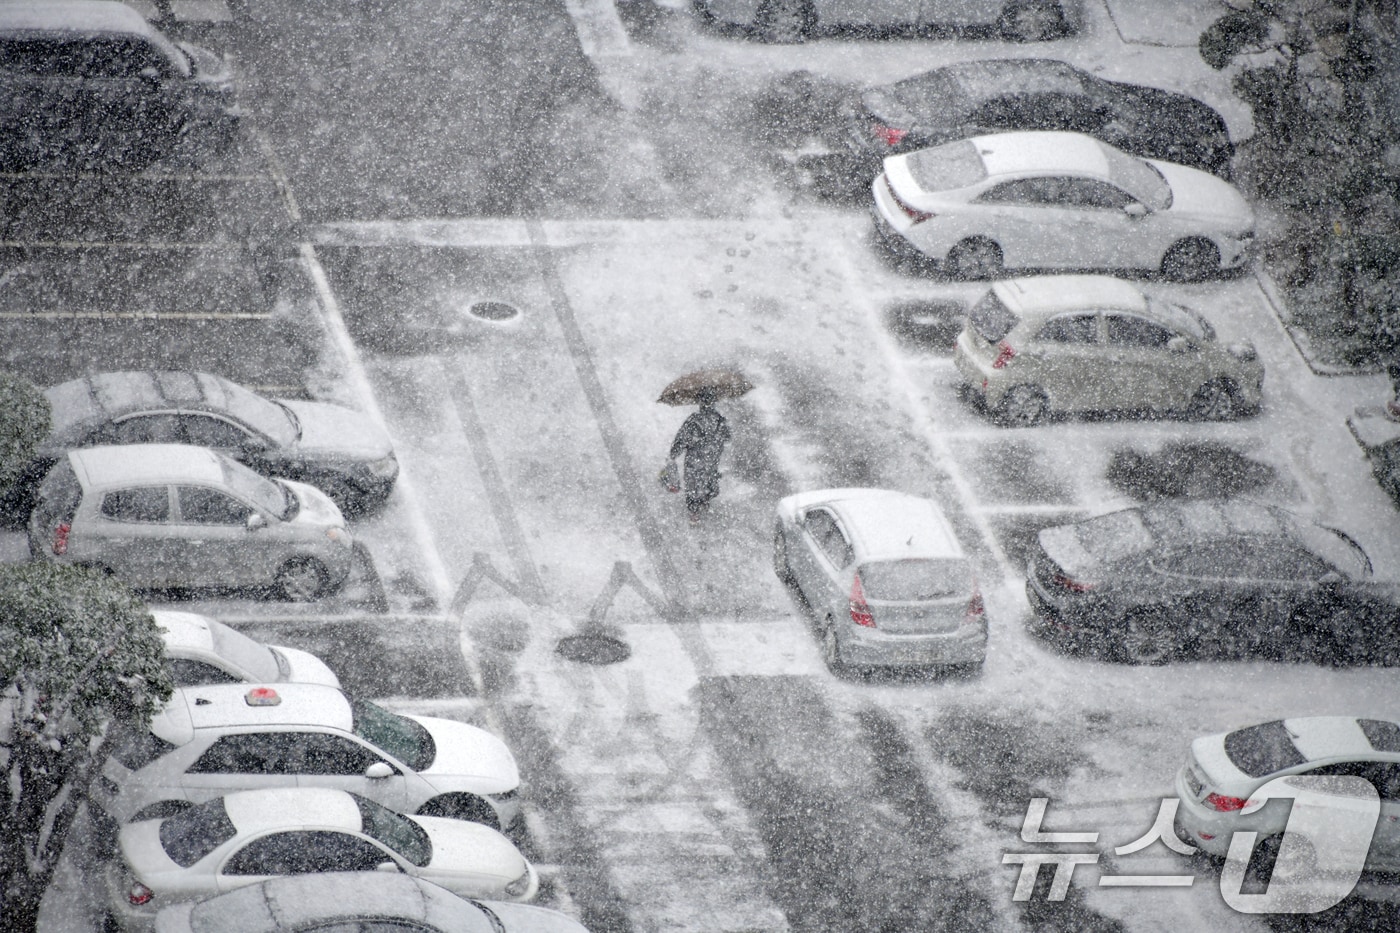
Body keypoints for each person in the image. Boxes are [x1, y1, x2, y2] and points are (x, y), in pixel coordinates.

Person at [667, 388, 731, 523]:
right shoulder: (720, 420)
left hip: (694, 462)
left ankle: (694, 514)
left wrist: (674, 453)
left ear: (700, 403)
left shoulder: (694, 420)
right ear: (713, 402)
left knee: (693, 488)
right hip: (711, 461)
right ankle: (705, 505)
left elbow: (681, 440)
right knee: (708, 483)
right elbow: (727, 437)